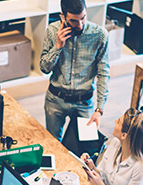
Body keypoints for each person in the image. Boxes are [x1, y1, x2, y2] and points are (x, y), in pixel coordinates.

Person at [40, 0, 110, 141]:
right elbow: (44, 68)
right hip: (55, 100)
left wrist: (99, 109)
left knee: (85, 148)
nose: (80, 25)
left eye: (83, 18)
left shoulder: (100, 35)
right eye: (73, 21)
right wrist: (58, 47)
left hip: (84, 102)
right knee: (54, 144)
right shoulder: (52, 31)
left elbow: (103, 73)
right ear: (63, 16)